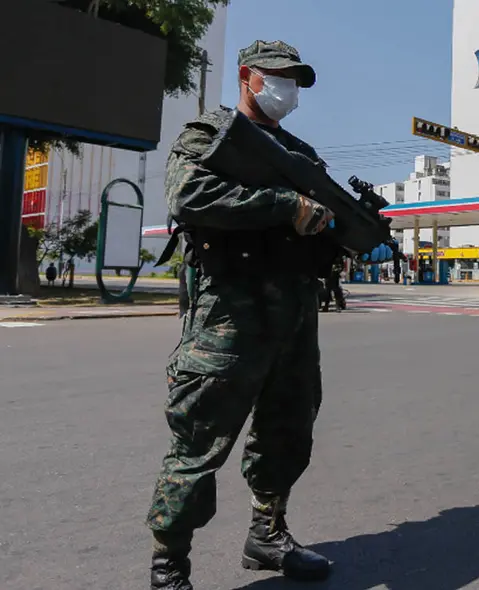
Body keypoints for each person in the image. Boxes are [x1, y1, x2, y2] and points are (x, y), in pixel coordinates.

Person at [145, 40, 393, 589]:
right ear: (247, 77)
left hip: (295, 314)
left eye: (296, 80)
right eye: (278, 77)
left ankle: (268, 534)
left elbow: (322, 227)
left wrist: (349, 235)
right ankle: (169, 565)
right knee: (198, 440)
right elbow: (188, 196)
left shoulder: (302, 155)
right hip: (228, 313)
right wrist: (284, 206)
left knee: (288, 431)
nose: (288, 89)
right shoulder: (209, 135)